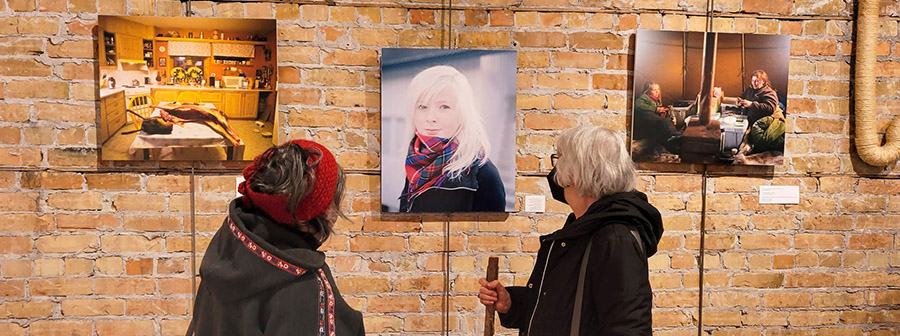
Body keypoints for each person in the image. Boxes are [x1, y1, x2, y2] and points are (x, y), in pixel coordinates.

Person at [477, 126, 664, 335]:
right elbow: (560, 306)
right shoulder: (581, 225)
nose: (556, 171)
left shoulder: (614, 237)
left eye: (560, 158)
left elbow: (628, 327)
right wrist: (512, 304)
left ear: (577, 172)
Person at [186, 139, 364, 336]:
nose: (337, 210)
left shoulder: (227, 245)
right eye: (332, 199)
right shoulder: (307, 287)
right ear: (311, 217)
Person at [399, 65, 505, 212]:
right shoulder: (417, 161)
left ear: (462, 113)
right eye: (422, 106)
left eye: (444, 107)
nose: (430, 118)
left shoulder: (485, 175)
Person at [633, 81, 680, 150]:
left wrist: (661, 112)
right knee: (664, 121)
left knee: (665, 122)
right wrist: (656, 109)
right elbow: (638, 105)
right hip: (644, 121)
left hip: (651, 122)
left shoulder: (656, 100)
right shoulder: (644, 97)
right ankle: (674, 136)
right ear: (647, 91)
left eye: (658, 89)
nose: (657, 92)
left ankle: (671, 141)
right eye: (654, 90)